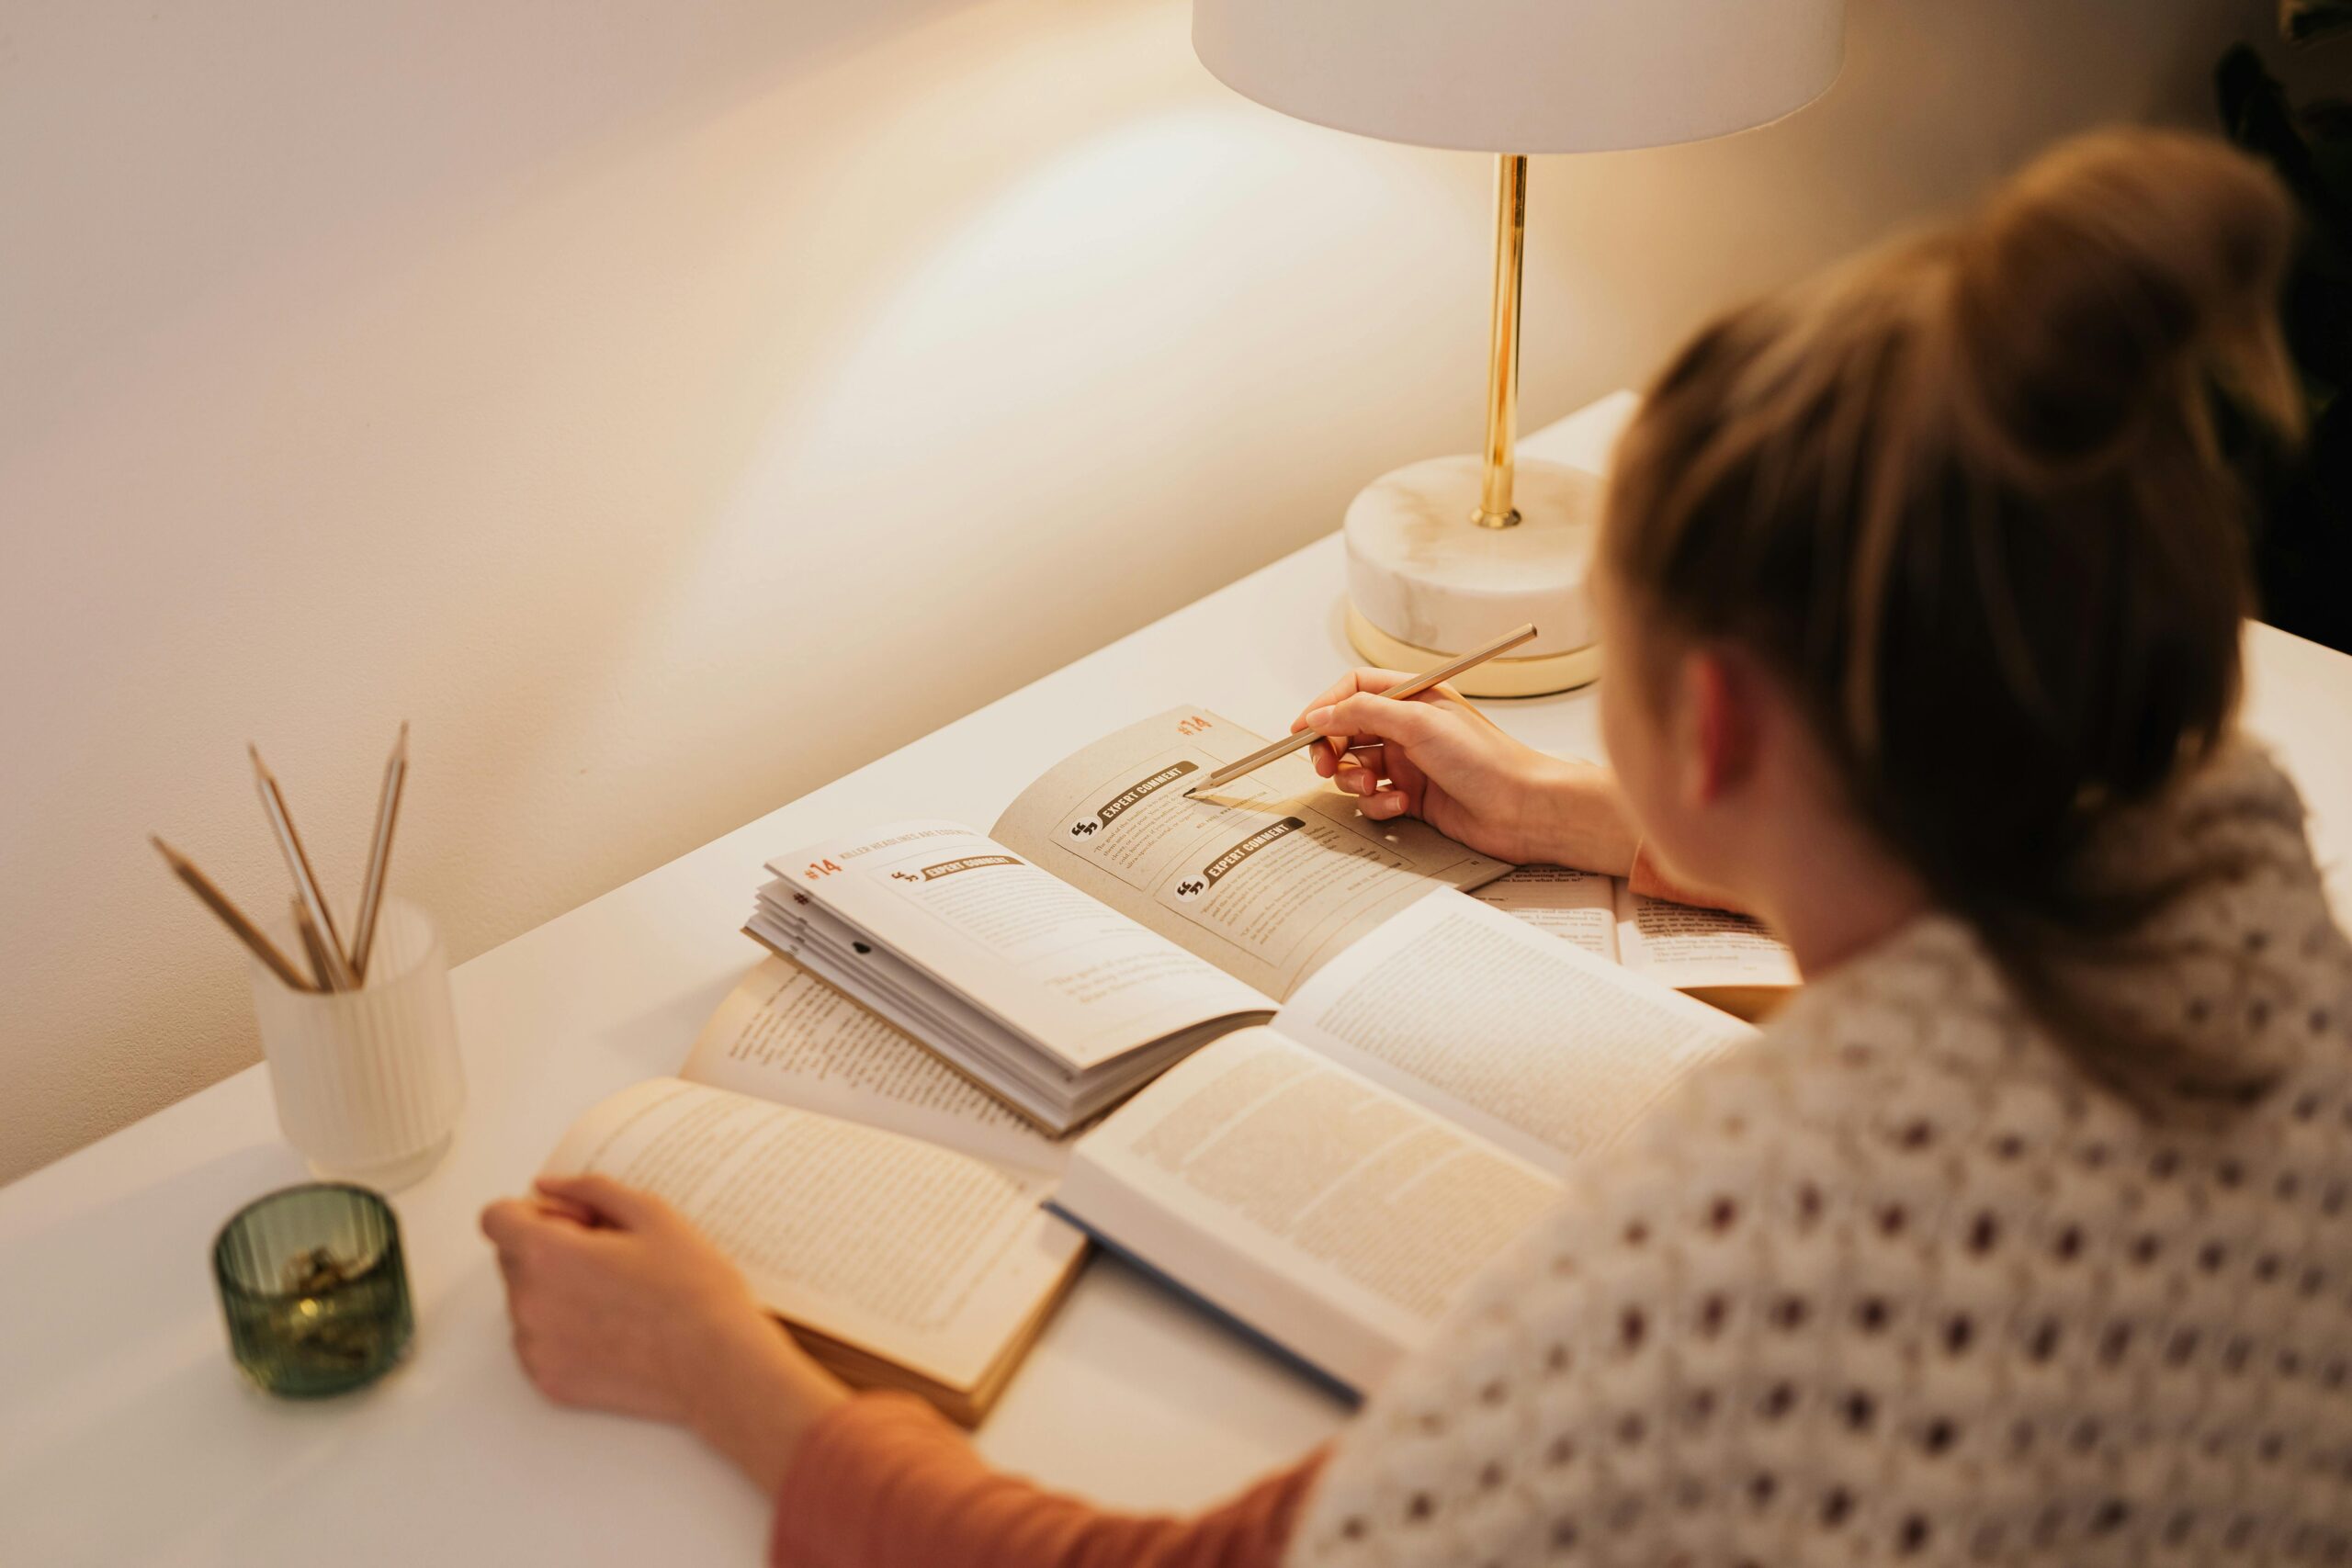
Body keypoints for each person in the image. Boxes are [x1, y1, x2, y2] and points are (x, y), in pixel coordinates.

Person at [482, 125, 2352, 1566]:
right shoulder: (2244, 887)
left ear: (1706, 720)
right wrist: (1566, 817)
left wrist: (712, 1368)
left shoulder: (1762, 1240)